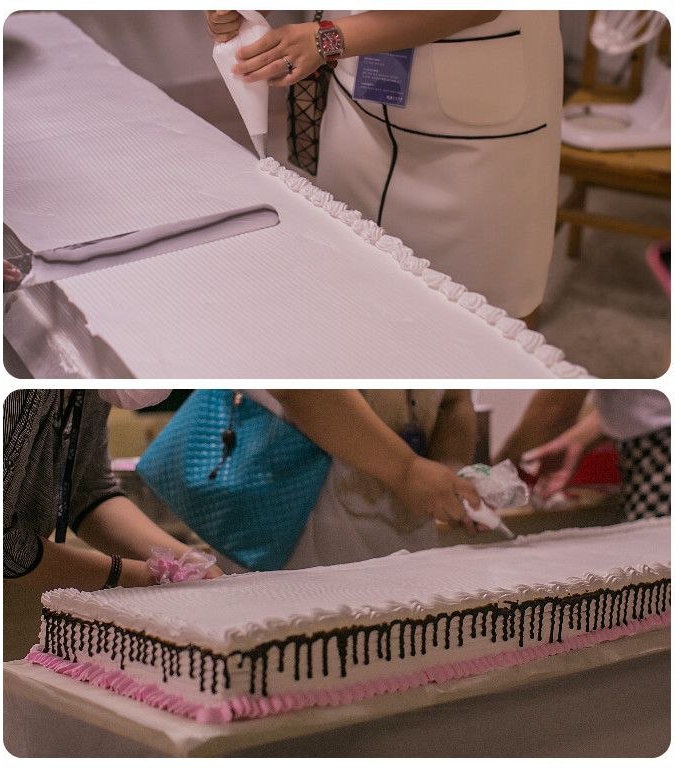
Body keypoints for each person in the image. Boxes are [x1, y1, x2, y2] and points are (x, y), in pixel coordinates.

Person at [205, 11, 562, 324]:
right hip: (358, 97)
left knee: (486, 313)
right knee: (351, 286)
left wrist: (325, 40)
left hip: (478, 127)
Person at [3, 390, 223, 591]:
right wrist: (142, 575)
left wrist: (187, 561)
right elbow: (4, 544)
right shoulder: (22, 394)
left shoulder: (90, 391)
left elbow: (89, 490)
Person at [269, 390, 484, 569]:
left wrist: (450, 475)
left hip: (411, 543)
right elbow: (296, 386)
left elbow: (454, 398)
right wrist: (406, 471)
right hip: (305, 526)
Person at [496, 390, 670, 521]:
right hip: (653, 451)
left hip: (663, 459)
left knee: (653, 551)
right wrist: (576, 440)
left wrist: (495, 470)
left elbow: (556, 406)